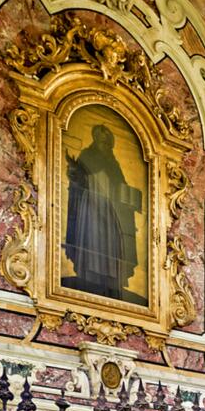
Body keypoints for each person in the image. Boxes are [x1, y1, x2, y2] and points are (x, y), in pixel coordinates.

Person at [64, 123, 143, 300]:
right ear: (96, 140)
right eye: (103, 143)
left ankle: (111, 281)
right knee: (95, 241)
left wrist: (128, 194)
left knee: (111, 244)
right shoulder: (88, 155)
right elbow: (78, 178)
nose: (106, 147)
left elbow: (118, 184)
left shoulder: (113, 162)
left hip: (112, 213)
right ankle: (91, 278)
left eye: (109, 144)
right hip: (92, 209)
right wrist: (77, 174)